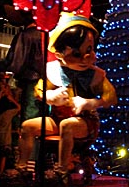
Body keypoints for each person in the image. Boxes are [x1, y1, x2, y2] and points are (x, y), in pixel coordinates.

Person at [18, 13, 117, 174]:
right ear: (59, 54)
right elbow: (39, 90)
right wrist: (50, 97)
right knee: (27, 127)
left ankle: (61, 171)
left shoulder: (96, 75)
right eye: (77, 54)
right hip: (57, 120)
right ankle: (22, 168)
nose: (85, 58)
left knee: (67, 126)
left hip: (85, 122)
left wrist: (91, 103)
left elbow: (111, 97)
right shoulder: (54, 71)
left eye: (89, 50)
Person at [1, 6, 44, 123]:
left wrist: (2, 67)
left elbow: (16, 61)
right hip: (47, 80)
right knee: (43, 116)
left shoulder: (25, 35)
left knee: (30, 117)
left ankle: (30, 140)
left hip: (31, 80)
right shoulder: (46, 35)